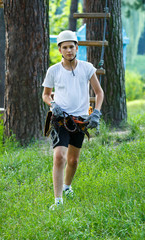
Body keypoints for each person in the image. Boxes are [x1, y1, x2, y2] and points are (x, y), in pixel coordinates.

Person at [42, 30, 104, 209]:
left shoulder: (87, 68)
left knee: (73, 161)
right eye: (65, 47)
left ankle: (67, 187)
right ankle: (58, 201)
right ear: (60, 50)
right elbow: (45, 95)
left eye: (71, 47)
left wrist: (96, 113)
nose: (69, 50)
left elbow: (99, 92)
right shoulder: (53, 71)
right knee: (59, 157)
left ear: (77, 48)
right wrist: (53, 105)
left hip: (81, 120)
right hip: (60, 120)